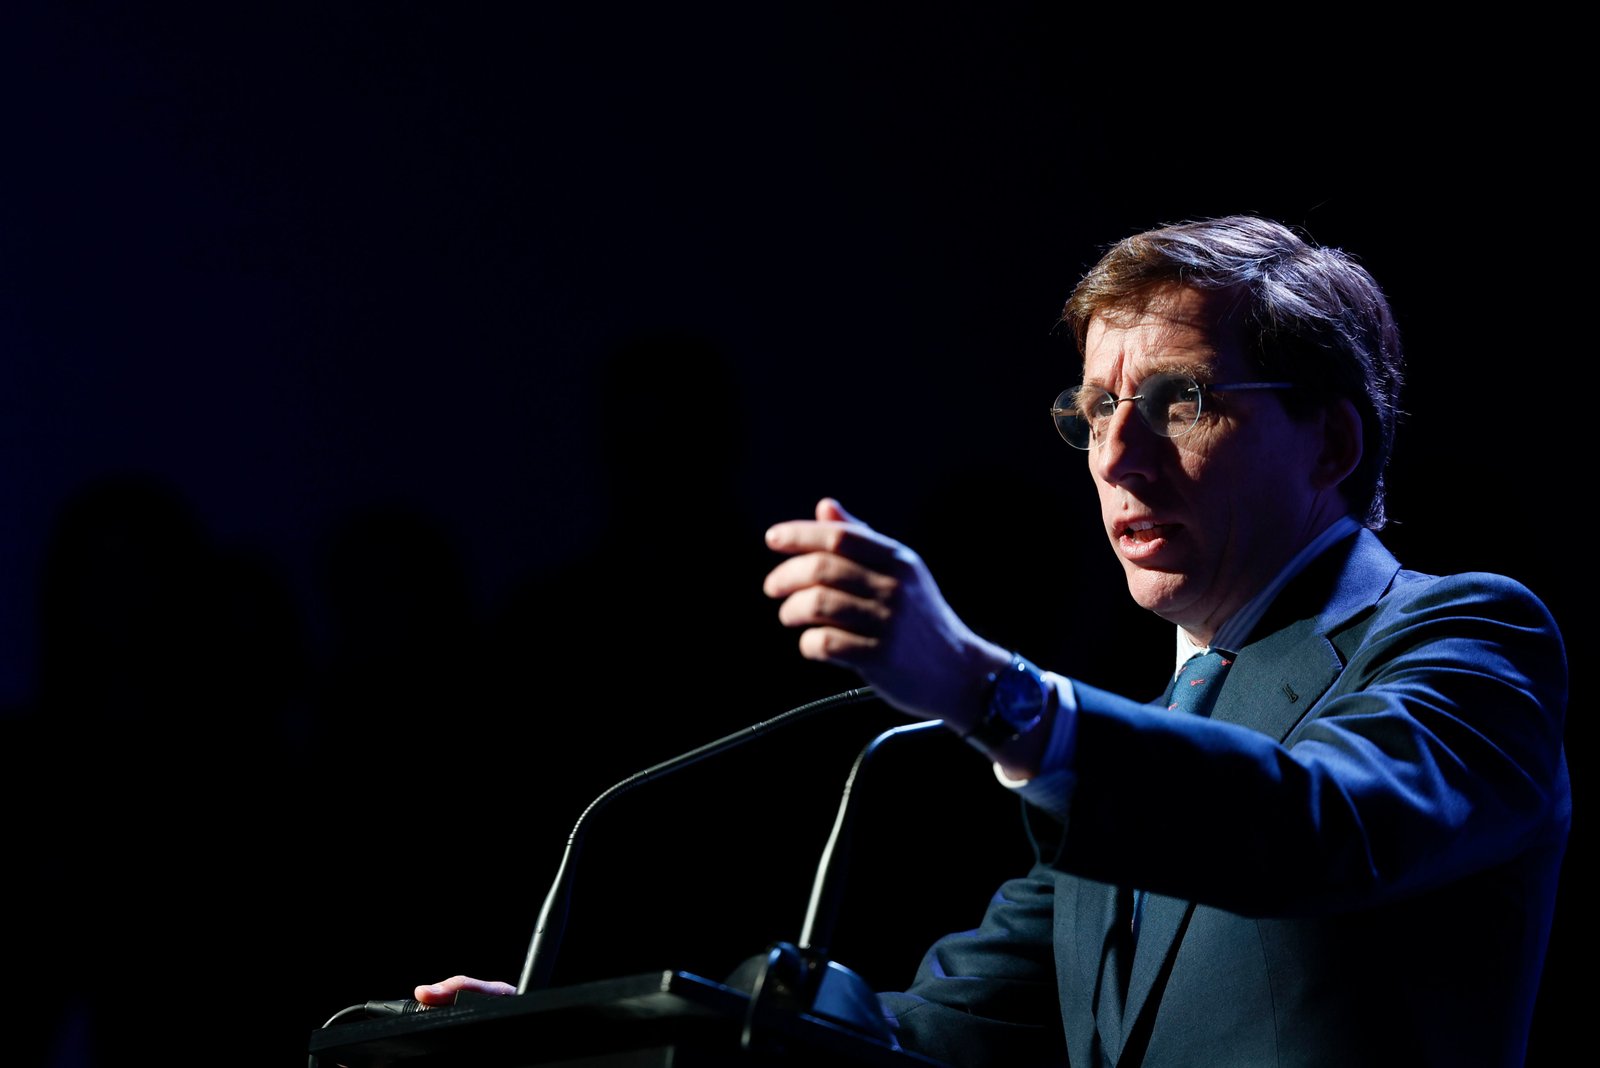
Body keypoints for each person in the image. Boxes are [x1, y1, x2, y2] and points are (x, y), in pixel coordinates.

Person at [406, 215, 1569, 1066]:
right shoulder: (1134, 751)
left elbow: (1322, 825)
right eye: (1097, 408)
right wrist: (594, 1037)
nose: (1115, 457)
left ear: (1331, 444)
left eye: (1181, 400)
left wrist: (986, 689)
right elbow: (928, 1038)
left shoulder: (1466, 637)